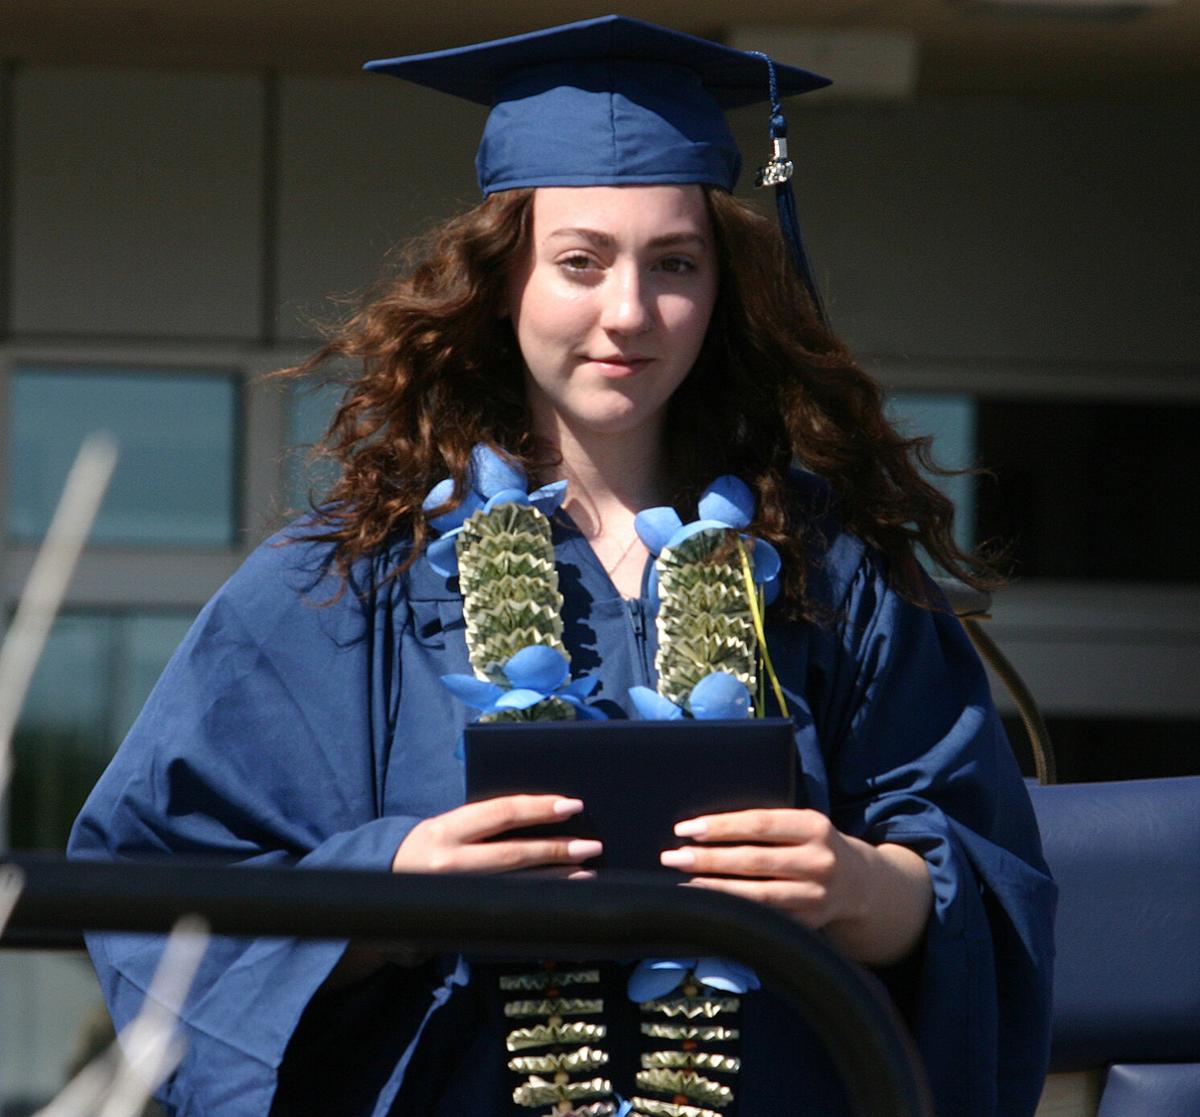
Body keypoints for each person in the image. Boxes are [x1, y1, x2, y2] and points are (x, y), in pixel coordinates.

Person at [69, 15, 1055, 1117]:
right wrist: (392, 885)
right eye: (580, 261)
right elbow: (152, 883)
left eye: (675, 264)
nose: (628, 313)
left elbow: (987, 874)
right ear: (504, 283)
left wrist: (869, 889)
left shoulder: (831, 570)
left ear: (724, 286)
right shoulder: (353, 579)